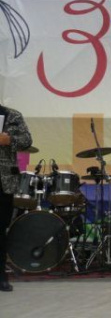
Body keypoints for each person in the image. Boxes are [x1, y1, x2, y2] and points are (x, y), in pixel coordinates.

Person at [0, 103, 33, 292]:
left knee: (0, 229)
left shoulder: (12, 115)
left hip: (3, 182)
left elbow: (27, 140)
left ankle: (1, 276)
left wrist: (8, 140)